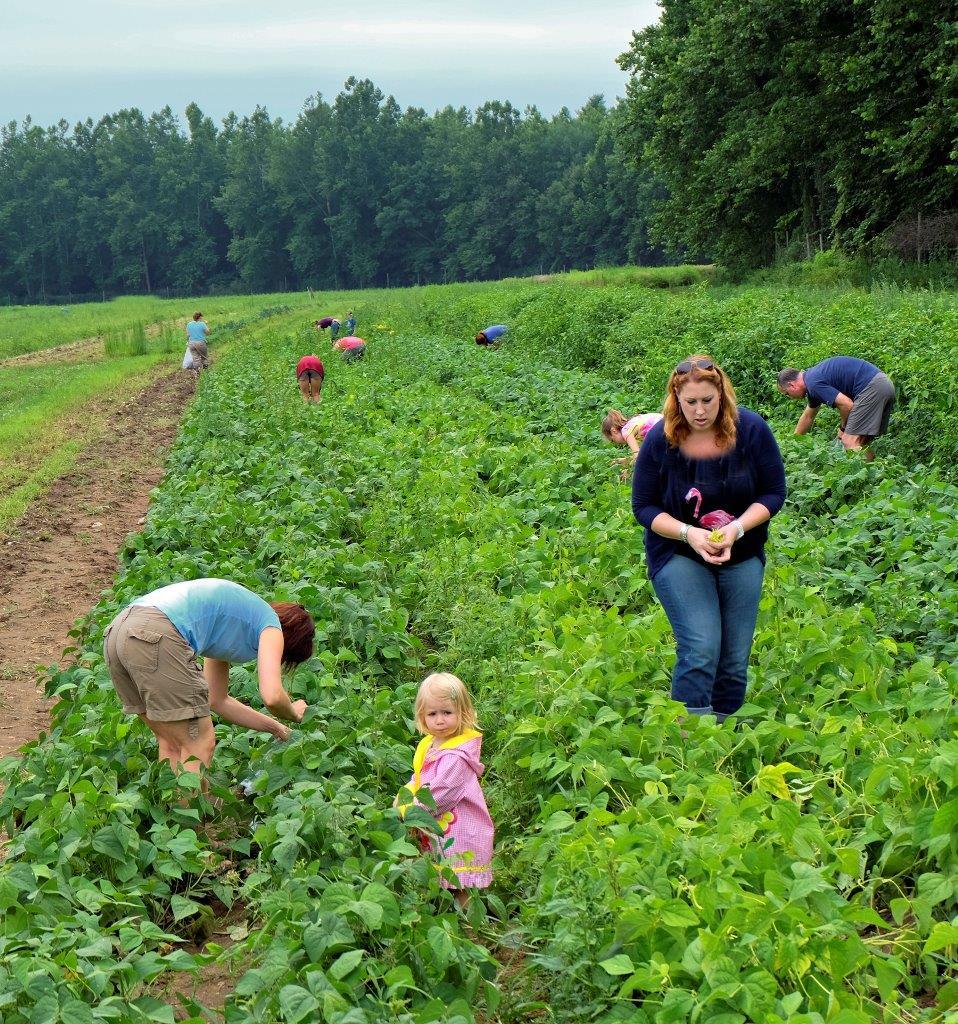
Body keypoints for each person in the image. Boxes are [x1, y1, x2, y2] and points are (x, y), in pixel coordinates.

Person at [632, 356, 786, 722]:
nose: (700, 412)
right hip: (678, 551)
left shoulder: (751, 430)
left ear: (722, 395)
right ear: (676, 399)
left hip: (742, 550)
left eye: (708, 401)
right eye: (691, 403)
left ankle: (724, 734)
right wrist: (691, 534)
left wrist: (737, 528)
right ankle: (692, 741)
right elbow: (644, 506)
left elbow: (774, 493)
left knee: (734, 657)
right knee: (701, 646)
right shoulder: (662, 439)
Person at [103, 578, 314, 782]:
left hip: (119, 631)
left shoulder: (233, 620)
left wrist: (277, 728)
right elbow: (273, 696)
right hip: (155, 633)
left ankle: (174, 815)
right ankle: (190, 818)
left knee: (173, 742)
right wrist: (293, 712)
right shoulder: (271, 625)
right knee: (199, 744)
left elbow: (216, 700)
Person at [396, 673, 493, 907]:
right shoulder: (431, 744)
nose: (440, 720)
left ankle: (472, 930)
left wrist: (411, 811)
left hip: (461, 831)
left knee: (461, 885)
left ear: (463, 712)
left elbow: (441, 794)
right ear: (422, 717)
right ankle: (452, 921)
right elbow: (419, 776)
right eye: (432, 714)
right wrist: (405, 793)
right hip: (441, 828)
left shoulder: (456, 756)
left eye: (447, 713)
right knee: (445, 880)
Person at [777, 357, 895, 460]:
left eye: (787, 394)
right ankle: (875, 478)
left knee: (849, 441)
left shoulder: (813, 384)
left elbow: (847, 405)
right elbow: (808, 416)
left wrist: (843, 429)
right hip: (883, 384)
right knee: (861, 443)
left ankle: (874, 479)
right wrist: (793, 443)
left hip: (872, 388)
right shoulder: (812, 379)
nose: (790, 398)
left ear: (792, 385)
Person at [602, 410, 663, 478]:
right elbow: (643, 454)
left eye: (613, 440)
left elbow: (638, 457)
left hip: (662, 433)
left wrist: (628, 471)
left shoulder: (626, 432)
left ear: (614, 431)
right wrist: (626, 460)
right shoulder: (632, 425)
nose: (616, 443)